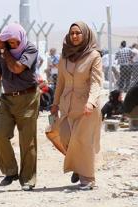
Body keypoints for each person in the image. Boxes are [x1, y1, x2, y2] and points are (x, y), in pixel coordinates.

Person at [0, 23, 40, 190]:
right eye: (9, 42)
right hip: (7, 99)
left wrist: (3, 50)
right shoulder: (1, 53)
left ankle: (28, 179)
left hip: (28, 98)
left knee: (27, 140)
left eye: (15, 42)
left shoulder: (30, 49)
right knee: (0, 135)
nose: (12, 45)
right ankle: (10, 171)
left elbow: (16, 68)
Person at [49, 21, 103, 190]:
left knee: (82, 141)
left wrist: (91, 101)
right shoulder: (65, 56)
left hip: (87, 106)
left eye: (78, 33)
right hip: (67, 105)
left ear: (85, 34)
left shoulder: (94, 56)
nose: (74, 36)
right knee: (65, 137)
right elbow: (60, 83)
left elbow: (96, 82)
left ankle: (88, 178)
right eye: (72, 33)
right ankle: (79, 166)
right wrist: (55, 103)